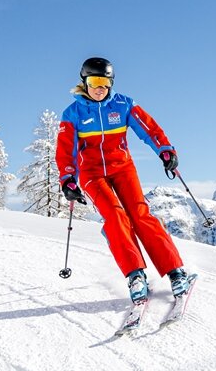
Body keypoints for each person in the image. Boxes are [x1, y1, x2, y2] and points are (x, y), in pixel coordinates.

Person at [56, 56, 196, 326]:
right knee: (115, 216)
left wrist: (165, 151)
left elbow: (149, 129)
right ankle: (135, 275)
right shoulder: (72, 114)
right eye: (94, 82)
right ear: (84, 82)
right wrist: (68, 180)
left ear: (111, 83)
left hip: (122, 168)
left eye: (105, 82)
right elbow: (65, 152)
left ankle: (175, 271)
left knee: (140, 214)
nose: (100, 88)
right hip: (92, 174)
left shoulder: (123, 105)